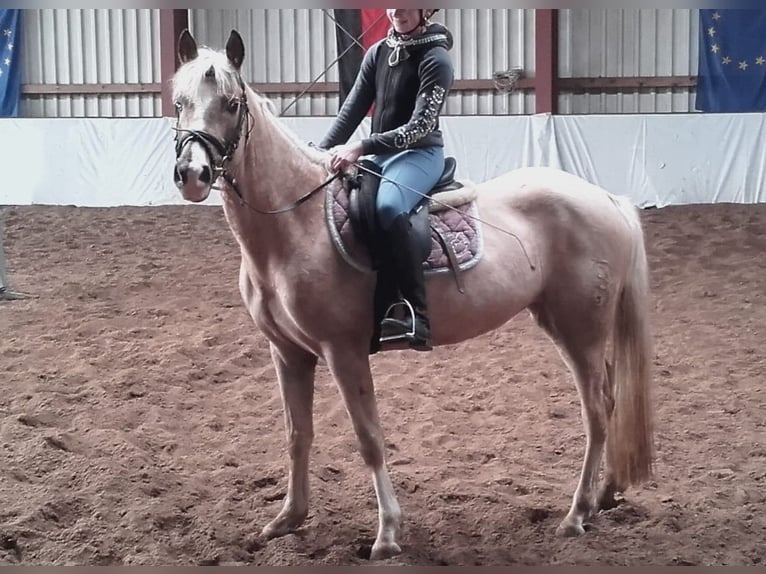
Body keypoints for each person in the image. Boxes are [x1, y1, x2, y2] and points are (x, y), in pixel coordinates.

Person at [320, 8, 454, 351]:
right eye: (393, 4)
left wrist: (362, 146)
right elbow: (351, 111)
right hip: (381, 156)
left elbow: (419, 127)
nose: (398, 11)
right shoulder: (378, 52)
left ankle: (415, 312)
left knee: (389, 206)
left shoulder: (436, 58)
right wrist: (319, 153)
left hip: (420, 154)